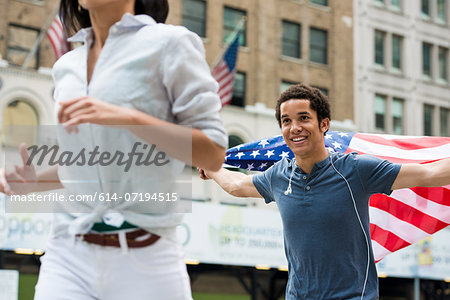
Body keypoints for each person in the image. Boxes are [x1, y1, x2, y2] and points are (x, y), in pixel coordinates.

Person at [0, 0, 227, 299]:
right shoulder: (67, 66)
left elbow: (212, 153)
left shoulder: (171, 43)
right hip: (68, 255)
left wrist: (129, 118)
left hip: (147, 260)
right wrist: (34, 182)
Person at [198, 83, 450, 300]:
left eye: (304, 118)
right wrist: (211, 167)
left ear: (324, 124)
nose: (294, 127)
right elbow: (237, 185)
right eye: (286, 121)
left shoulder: (355, 170)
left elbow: (429, 173)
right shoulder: (279, 175)